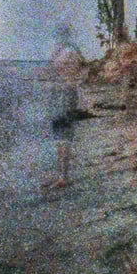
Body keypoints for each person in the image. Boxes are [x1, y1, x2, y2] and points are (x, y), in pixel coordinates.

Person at [43, 46, 84, 190]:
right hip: (60, 112)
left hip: (64, 113)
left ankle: (63, 177)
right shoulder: (66, 80)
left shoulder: (70, 82)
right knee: (61, 144)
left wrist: (66, 114)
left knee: (63, 143)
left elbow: (72, 100)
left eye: (66, 63)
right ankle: (61, 176)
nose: (62, 66)